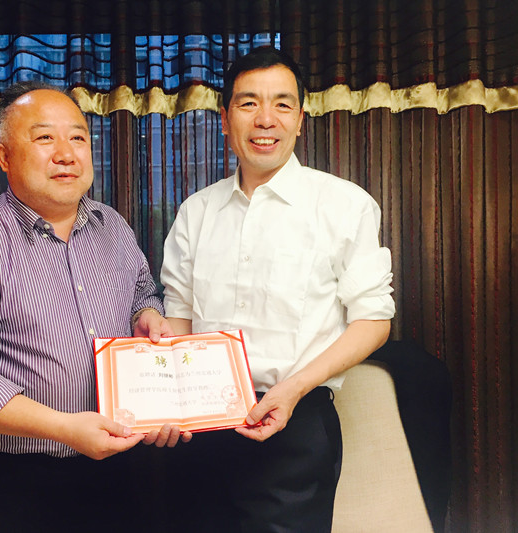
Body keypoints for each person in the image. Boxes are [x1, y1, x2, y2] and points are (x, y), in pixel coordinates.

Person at [0, 81, 188, 533]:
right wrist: (64, 427)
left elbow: (142, 293)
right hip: (20, 481)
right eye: (44, 138)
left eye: (77, 137)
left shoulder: (113, 227)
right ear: (4, 157)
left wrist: (147, 316)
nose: (66, 154)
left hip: (125, 468)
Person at [159, 47, 396, 532]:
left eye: (282, 104)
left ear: (300, 120)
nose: (265, 119)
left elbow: (373, 321)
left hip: (296, 424)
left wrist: (292, 389)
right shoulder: (195, 212)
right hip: (201, 427)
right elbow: (179, 317)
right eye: (248, 103)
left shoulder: (344, 205)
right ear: (224, 119)